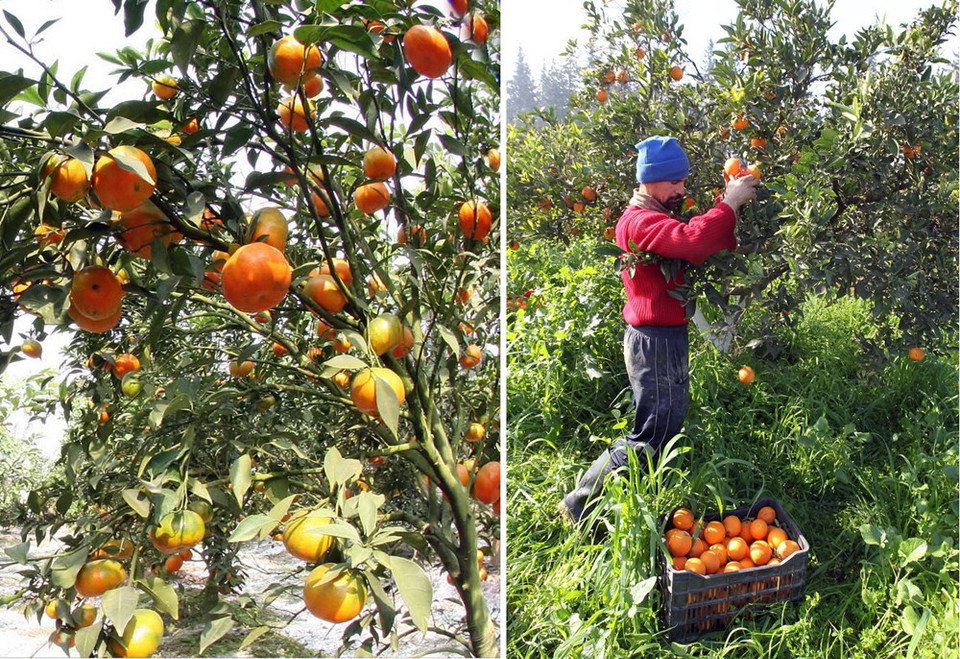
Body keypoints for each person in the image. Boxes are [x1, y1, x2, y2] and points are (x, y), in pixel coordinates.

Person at [561, 135, 759, 524]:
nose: (681, 190)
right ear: (649, 181)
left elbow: (686, 239)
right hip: (655, 341)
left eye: (682, 181)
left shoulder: (654, 218)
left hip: (658, 338)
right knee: (652, 432)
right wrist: (730, 202)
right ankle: (580, 503)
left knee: (662, 424)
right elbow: (692, 241)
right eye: (674, 182)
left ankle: (633, 498)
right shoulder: (640, 221)